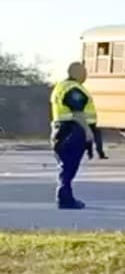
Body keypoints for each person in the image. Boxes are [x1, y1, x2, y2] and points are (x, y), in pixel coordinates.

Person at [49, 62, 94, 209]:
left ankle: (66, 197)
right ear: (76, 72)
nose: (86, 74)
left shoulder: (60, 87)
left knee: (66, 166)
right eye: (84, 71)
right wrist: (87, 130)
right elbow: (77, 112)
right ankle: (65, 199)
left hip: (60, 130)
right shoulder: (73, 89)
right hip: (72, 131)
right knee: (69, 166)